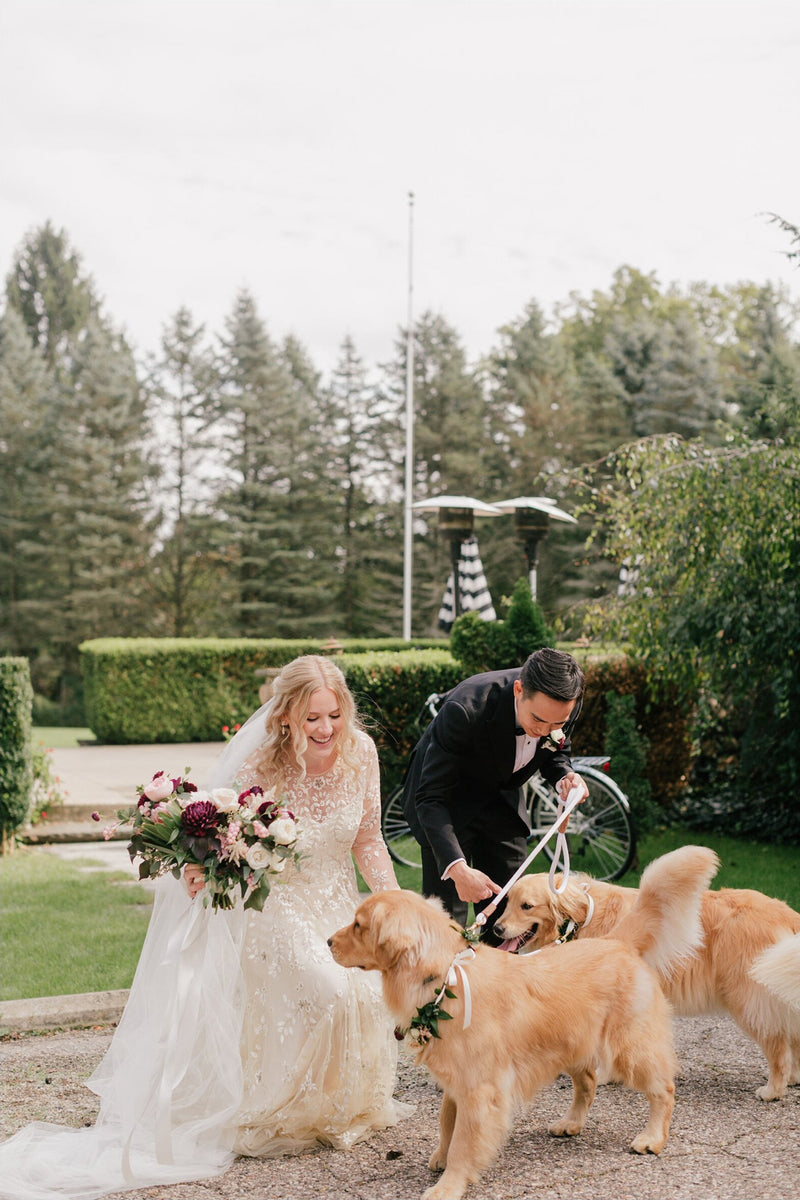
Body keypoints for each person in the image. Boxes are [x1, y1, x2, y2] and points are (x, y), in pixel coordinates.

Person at [0, 655, 409, 1200]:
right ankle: (275, 1109)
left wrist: (392, 899)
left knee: (362, 988)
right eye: (312, 718)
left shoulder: (361, 753)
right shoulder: (262, 763)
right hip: (276, 902)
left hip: (337, 897)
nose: (326, 729)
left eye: (334, 715)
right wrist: (202, 864)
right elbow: (222, 835)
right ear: (286, 715)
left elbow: (367, 840)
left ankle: (333, 1108)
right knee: (328, 987)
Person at [402, 646, 588, 934]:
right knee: (446, 923)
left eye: (557, 723)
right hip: (447, 804)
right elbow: (431, 797)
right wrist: (457, 868)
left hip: (502, 800)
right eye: (537, 720)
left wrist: (565, 776)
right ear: (518, 690)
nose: (544, 730)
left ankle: (500, 975)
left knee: (510, 915)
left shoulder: (564, 701)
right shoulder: (464, 709)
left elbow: (557, 753)